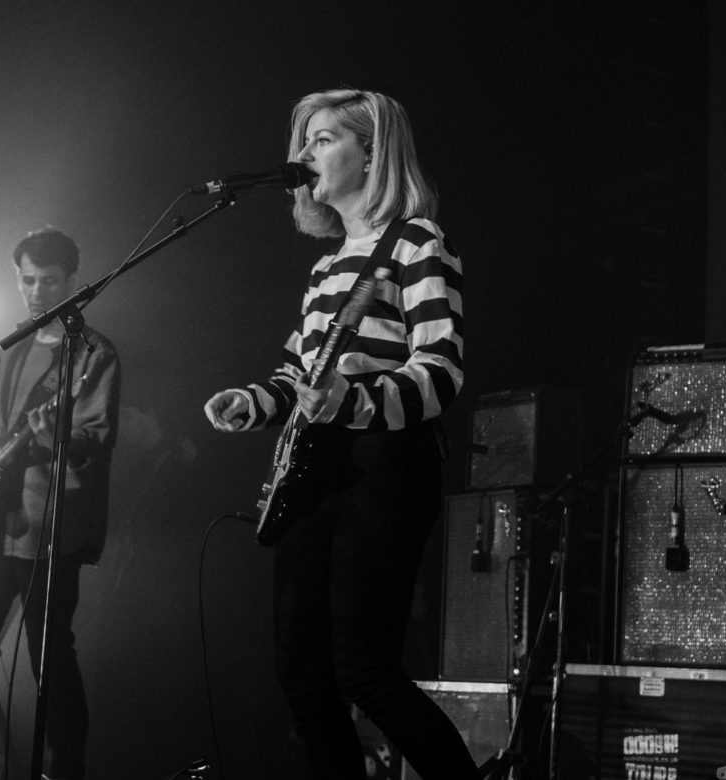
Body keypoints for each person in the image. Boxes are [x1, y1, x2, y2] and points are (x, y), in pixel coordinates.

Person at [203, 89, 478, 780]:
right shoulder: (328, 268)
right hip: (318, 470)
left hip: (385, 464)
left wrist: (352, 402)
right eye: (305, 142)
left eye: (323, 140)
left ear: (373, 153)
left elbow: (441, 371)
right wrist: (254, 400)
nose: (303, 156)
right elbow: (302, 373)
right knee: (301, 673)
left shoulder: (418, 242)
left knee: (366, 669)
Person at [0, 228, 121, 780]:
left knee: (51, 661)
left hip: (51, 531)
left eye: (49, 281)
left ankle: (62, 771)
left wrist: (50, 438)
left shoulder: (95, 354)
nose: (37, 291)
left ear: (74, 281)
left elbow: (94, 438)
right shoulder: (15, 346)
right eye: (28, 280)